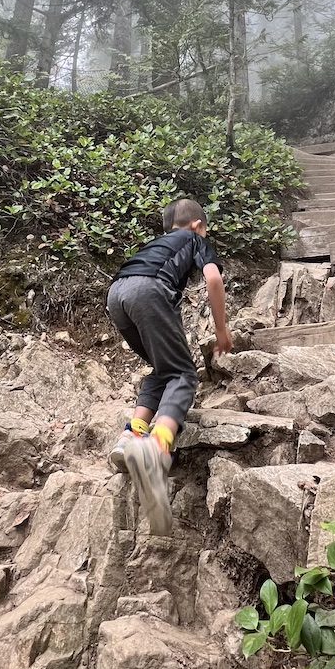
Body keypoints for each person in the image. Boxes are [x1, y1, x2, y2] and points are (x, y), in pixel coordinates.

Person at [106, 197, 233, 534]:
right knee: (183, 374)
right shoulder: (194, 239)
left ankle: (130, 436)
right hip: (148, 292)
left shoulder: (156, 245)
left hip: (117, 295)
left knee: (163, 370)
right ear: (196, 225)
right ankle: (157, 447)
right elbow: (213, 280)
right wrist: (221, 330)